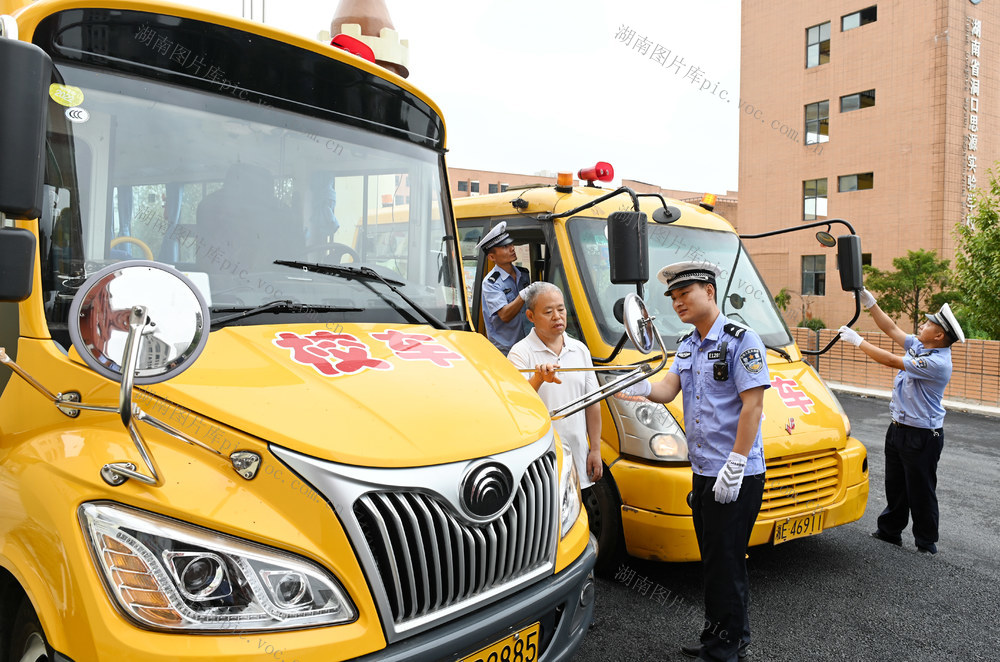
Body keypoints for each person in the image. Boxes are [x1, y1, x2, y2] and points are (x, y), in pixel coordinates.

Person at [623, 261, 769, 662]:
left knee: (725, 562)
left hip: (736, 474)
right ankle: (721, 637)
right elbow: (669, 389)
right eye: (672, 297)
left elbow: (752, 406)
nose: (677, 302)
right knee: (715, 561)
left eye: (684, 293)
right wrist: (637, 384)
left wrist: (736, 463)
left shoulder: (742, 339)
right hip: (704, 472)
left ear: (708, 290)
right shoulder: (688, 344)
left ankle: (726, 647)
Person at [838, 292, 964, 555]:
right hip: (898, 427)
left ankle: (925, 543)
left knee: (920, 489)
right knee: (895, 484)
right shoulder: (921, 346)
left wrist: (858, 341)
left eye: (929, 324)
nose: (922, 325)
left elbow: (891, 360)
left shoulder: (936, 362)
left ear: (940, 336)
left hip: (922, 435)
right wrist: (869, 302)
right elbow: (891, 328)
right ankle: (890, 531)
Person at [507, 282, 602, 490]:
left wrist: (595, 449)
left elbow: (592, 403)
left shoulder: (580, 350)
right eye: (548, 312)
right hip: (541, 459)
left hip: (578, 455)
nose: (557, 317)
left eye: (561, 309)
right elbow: (516, 405)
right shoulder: (519, 353)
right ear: (530, 316)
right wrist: (538, 379)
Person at [476, 221, 529, 354]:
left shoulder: (523, 274)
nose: (512, 248)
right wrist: (524, 295)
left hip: (528, 346)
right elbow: (505, 315)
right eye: (505, 247)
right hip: (506, 351)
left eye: (511, 244)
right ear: (492, 257)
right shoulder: (491, 283)